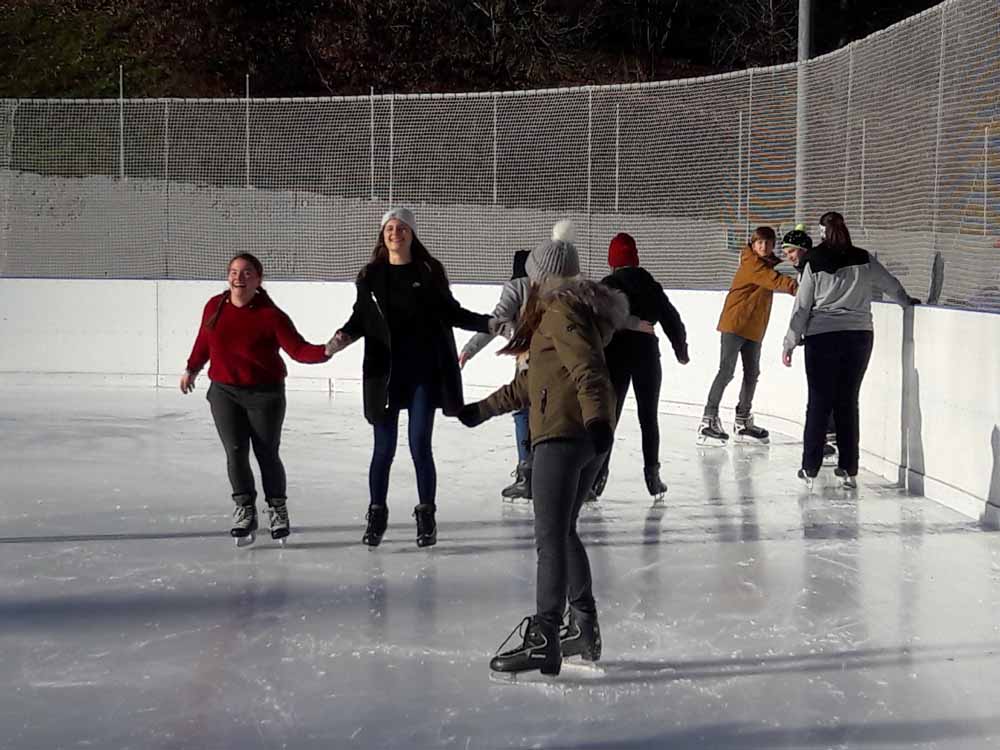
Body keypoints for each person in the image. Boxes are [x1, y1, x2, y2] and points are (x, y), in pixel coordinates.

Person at [457, 220, 628, 677]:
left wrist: (596, 422)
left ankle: (545, 636)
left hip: (565, 436)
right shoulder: (567, 313)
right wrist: (479, 410)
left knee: (549, 538)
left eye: (532, 278)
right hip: (581, 435)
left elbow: (588, 370)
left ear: (542, 279)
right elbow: (532, 384)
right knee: (565, 532)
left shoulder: (558, 312)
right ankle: (583, 630)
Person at [326, 207, 495, 548]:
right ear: (382, 234)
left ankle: (426, 515)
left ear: (412, 234)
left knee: (420, 445)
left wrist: (487, 323)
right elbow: (361, 318)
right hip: (383, 374)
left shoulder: (428, 271)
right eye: (390, 227)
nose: (395, 232)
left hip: (422, 374)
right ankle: (377, 513)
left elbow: (451, 312)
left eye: (402, 227)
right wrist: (341, 338)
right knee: (383, 449)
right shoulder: (370, 275)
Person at [181, 253, 330, 546]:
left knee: (266, 452)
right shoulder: (215, 307)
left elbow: (299, 350)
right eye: (234, 271)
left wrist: (328, 349)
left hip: (265, 394)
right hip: (224, 392)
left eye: (247, 272)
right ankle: (245, 508)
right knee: (235, 451)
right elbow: (204, 342)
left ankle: (277, 508)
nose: (239, 277)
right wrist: (191, 368)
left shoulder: (270, 316)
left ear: (258, 280)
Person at [782, 211, 920, 489]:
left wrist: (790, 341)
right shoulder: (863, 257)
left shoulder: (814, 261)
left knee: (819, 404)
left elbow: (802, 306)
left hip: (823, 338)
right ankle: (849, 469)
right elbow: (890, 284)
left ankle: (810, 468)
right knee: (847, 402)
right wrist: (906, 301)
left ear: (822, 232)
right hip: (859, 337)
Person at [593, 232, 690, 500]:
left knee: (609, 416)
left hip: (616, 354)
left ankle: (597, 476)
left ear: (612, 260)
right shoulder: (650, 285)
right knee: (649, 417)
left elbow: (596, 318)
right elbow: (672, 318)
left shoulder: (608, 284)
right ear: (635, 258)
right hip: (647, 354)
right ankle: (653, 476)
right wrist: (680, 349)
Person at [698, 227, 798, 446]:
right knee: (726, 371)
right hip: (735, 325)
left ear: (773, 245)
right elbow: (775, 280)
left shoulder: (766, 264)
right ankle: (708, 419)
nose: (763, 247)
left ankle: (743, 420)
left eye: (768, 243)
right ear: (752, 245)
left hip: (754, 329)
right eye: (759, 243)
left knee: (752, 373)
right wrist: (798, 288)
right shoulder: (751, 264)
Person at [459, 249, 533, 500]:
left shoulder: (515, 287)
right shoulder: (549, 286)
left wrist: (470, 349)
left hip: (528, 361)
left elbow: (496, 321)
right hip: (556, 359)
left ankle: (526, 474)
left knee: (523, 410)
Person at [782, 224, 837, 463]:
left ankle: (826, 437)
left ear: (804, 249)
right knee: (829, 387)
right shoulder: (807, 266)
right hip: (830, 331)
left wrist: (791, 340)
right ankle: (830, 434)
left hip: (822, 333)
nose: (789, 256)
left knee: (821, 389)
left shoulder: (809, 268)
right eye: (786, 252)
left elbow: (803, 306)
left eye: (792, 251)